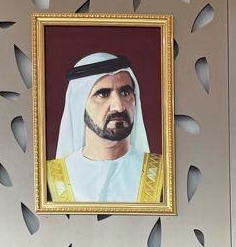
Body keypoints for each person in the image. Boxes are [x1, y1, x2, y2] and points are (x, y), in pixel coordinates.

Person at [46, 52, 165, 204]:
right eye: (103, 94)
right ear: (79, 105)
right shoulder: (48, 179)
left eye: (125, 93)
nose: (119, 107)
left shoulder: (164, 172)